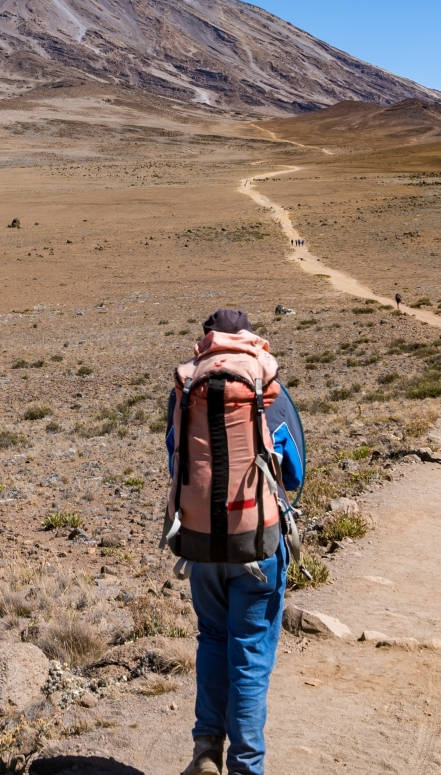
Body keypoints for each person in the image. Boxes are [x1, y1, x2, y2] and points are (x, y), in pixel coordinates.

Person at [164, 307, 303, 775]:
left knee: (213, 640)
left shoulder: (187, 389)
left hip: (201, 544)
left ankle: (206, 751)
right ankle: (246, 767)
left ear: (206, 341)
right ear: (249, 339)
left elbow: (175, 463)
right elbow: (295, 471)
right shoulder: (266, 387)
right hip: (257, 544)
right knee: (250, 654)